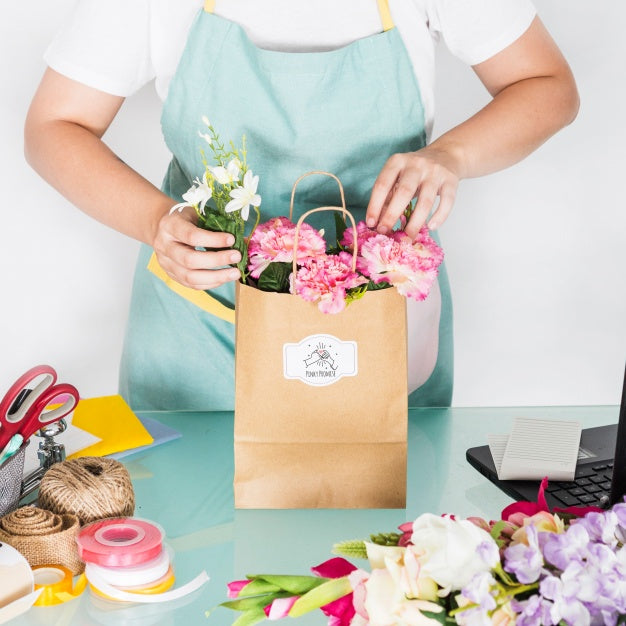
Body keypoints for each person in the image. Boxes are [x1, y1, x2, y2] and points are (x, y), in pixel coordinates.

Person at [24, 0, 579, 411]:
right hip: (204, 308)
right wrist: (155, 222)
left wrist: (451, 155)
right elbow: (54, 125)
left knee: (381, 548)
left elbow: (546, 84)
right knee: (189, 535)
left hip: (381, 298)